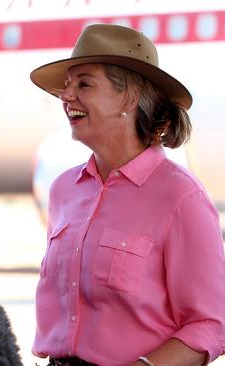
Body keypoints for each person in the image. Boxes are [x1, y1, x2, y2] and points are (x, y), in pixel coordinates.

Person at [29, 23, 225, 365]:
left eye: (84, 84)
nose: (66, 96)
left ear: (129, 97)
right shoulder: (63, 190)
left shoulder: (180, 196)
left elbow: (211, 324)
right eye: (66, 86)